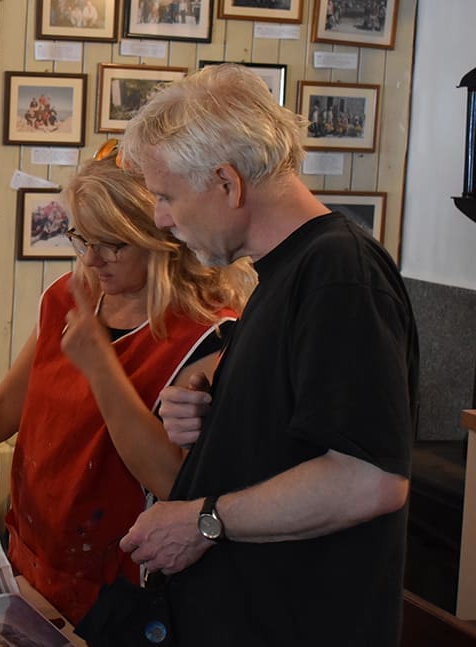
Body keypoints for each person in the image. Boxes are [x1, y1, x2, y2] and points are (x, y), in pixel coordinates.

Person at [0, 150, 255, 624]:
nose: (92, 259)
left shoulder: (207, 335)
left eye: (113, 245)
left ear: (165, 237)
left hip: (120, 588)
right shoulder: (70, 296)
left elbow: (170, 481)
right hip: (33, 559)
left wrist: (101, 368)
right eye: (82, 238)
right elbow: (0, 410)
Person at [117, 63, 418, 646]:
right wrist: (210, 411)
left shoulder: (339, 272)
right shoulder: (284, 271)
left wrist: (204, 520)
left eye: (166, 195)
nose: (160, 218)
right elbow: (292, 432)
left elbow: (369, 479)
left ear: (227, 184)